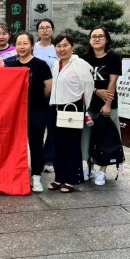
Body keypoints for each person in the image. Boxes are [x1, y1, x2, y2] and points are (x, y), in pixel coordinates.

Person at [6, 31, 52, 193]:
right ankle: (16, 175)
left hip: (37, 111)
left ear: (32, 46)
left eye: (25, 43)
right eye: (19, 43)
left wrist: (35, 98)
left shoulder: (41, 65)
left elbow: (48, 88)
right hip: (16, 113)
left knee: (36, 143)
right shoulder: (11, 67)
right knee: (14, 144)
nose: (22, 46)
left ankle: (36, 176)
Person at [49, 33, 94, 193]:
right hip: (55, 107)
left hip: (72, 108)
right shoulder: (56, 64)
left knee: (72, 145)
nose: (62, 49)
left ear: (73, 47)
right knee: (58, 144)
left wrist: (83, 107)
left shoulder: (80, 64)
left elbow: (88, 87)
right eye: (58, 46)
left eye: (65, 45)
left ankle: (72, 179)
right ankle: (59, 177)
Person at [81, 27, 122, 186]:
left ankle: (102, 171)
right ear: (90, 40)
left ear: (106, 39)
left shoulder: (113, 57)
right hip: (89, 104)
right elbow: (81, 81)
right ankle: (89, 168)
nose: (97, 39)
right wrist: (96, 91)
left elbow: (112, 82)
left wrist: (107, 104)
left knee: (106, 137)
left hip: (107, 104)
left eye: (100, 36)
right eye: (94, 36)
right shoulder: (84, 58)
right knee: (88, 137)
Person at [33, 18, 58, 173]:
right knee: (37, 127)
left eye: (48, 27)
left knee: (52, 125)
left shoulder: (57, 48)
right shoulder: (33, 47)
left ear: (52, 30)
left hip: (53, 93)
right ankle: (37, 157)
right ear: (38, 31)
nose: (45, 30)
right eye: (41, 28)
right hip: (35, 93)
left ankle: (49, 158)